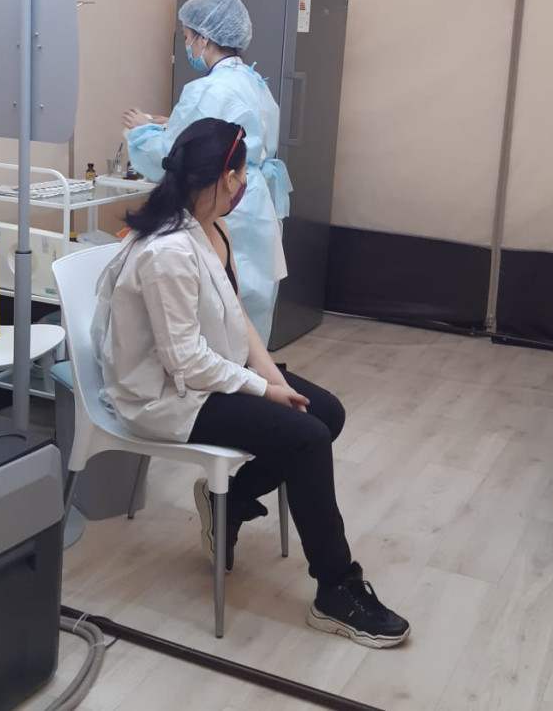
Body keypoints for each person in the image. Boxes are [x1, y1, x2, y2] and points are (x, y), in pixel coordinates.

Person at [92, 118, 410, 648]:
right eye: (241, 174)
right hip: (166, 397)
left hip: (207, 374)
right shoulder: (167, 252)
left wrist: (272, 379)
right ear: (224, 176)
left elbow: (237, 316)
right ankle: (336, 588)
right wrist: (264, 391)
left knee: (325, 412)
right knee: (306, 438)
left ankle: (232, 500)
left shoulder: (209, 229)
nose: (245, 184)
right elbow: (185, 362)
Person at [122, 0, 291, 346]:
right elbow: (226, 133)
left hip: (223, 201)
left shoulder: (206, 91)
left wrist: (140, 132)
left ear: (204, 38)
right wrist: (170, 123)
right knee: (251, 303)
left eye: (187, 37)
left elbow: (173, 156)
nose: (187, 46)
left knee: (218, 307)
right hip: (254, 200)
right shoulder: (254, 82)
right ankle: (253, 371)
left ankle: (221, 375)